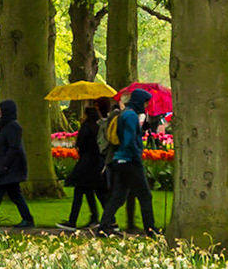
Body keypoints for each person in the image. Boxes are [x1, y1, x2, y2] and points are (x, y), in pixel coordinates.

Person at [96, 88, 158, 236]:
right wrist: (137, 154)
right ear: (138, 101)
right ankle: (150, 229)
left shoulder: (126, 114)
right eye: (145, 103)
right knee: (145, 195)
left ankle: (104, 227)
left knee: (118, 196)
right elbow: (129, 139)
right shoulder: (130, 116)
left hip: (120, 159)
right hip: (130, 160)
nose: (146, 106)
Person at [59, 98, 114, 230]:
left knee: (80, 191)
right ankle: (106, 219)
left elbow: (81, 145)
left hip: (86, 164)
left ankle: (73, 221)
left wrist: (78, 144)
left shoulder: (87, 126)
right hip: (98, 163)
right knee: (96, 192)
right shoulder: (100, 124)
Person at [0, 99, 34, 228]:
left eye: (1, 109)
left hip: (9, 167)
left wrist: (4, 165)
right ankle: (27, 219)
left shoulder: (12, 126)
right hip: (7, 166)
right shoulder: (7, 126)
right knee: (14, 194)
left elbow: (14, 148)